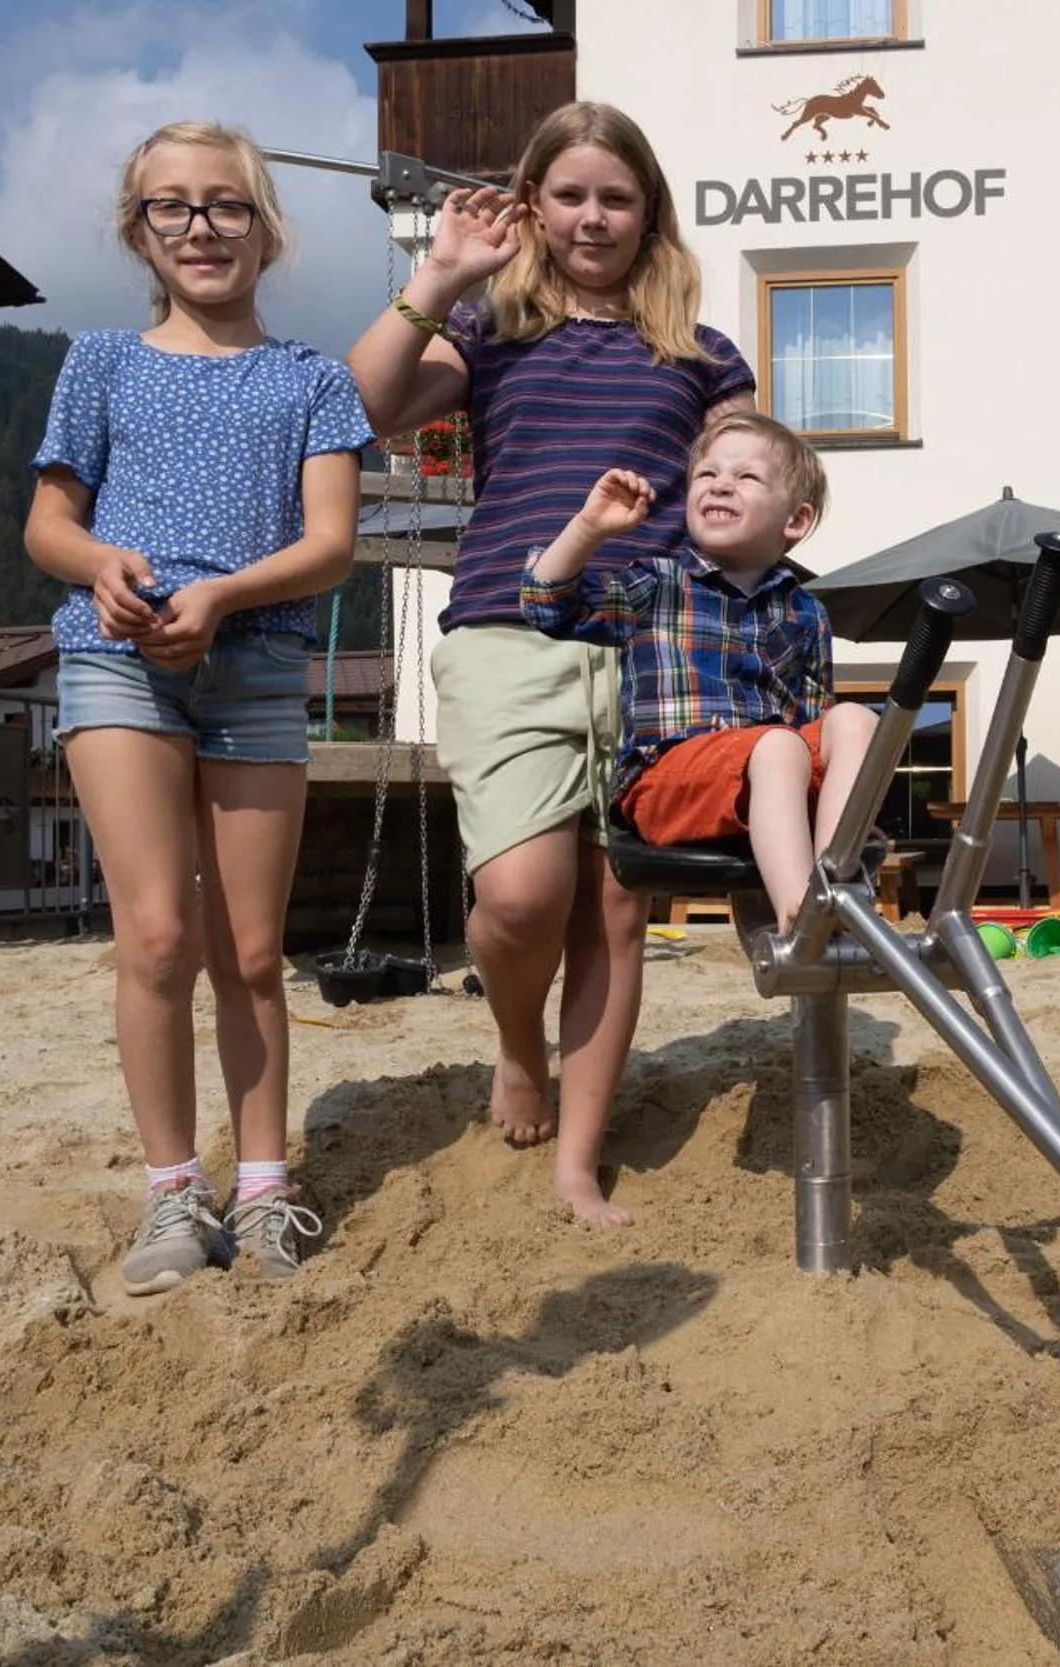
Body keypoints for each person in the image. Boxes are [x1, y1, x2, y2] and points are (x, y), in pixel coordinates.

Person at [345, 102, 755, 1227]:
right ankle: (517, 1043)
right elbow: (367, 405)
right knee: (522, 898)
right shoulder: (489, 330)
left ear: (648, 214)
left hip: (651, 646)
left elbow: (745, 493)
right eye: (569, 194)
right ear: (535, 206)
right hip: (504, 627)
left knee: (614, 911)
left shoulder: (703, 356)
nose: (592, 216)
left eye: (615, 197)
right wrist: (436, 278)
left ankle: (579, 1158)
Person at [24, 120, 372, 1292]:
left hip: (258, 666)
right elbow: (47, 526)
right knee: (159, 934)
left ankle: (264, 1188)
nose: (201, 226)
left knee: (256, 949)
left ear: (266, 229)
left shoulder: (314, 379)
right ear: (139, 233)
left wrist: (223, 593)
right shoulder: (100, 363)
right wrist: (102, 565)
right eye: (172, 207)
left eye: (224, 204)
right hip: (118, 662)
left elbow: (331, 546)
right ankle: (174, 1192)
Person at [519, 411, 877, 932]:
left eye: (747, 477)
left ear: (795, 521)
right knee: (776, 745)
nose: (721, 485)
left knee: (855, 720)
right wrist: (587, 529)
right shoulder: (657, 584)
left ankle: (834, 880)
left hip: (769, 777)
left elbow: (814, 722)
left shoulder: (805, 611)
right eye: (707, 475)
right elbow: (546, 605)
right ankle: (805, 913)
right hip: (670, 781)